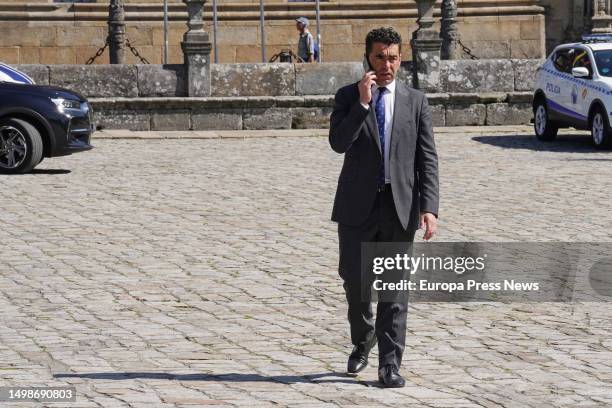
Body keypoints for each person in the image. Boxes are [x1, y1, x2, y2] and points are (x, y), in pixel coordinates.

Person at [328, 27, 439, 388]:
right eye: (380, 57)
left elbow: (427, 158)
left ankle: (389, 365)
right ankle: (363, 339)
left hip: (400, 208)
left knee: (395, 290)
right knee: (355, 283)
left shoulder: (416, 101)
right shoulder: (347, 97)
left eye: (392, 57)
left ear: (400, 58)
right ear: (368, 58)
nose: (387, 64)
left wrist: (430, 207)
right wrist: (362, 103)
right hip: (356, 207)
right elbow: (338, 143)